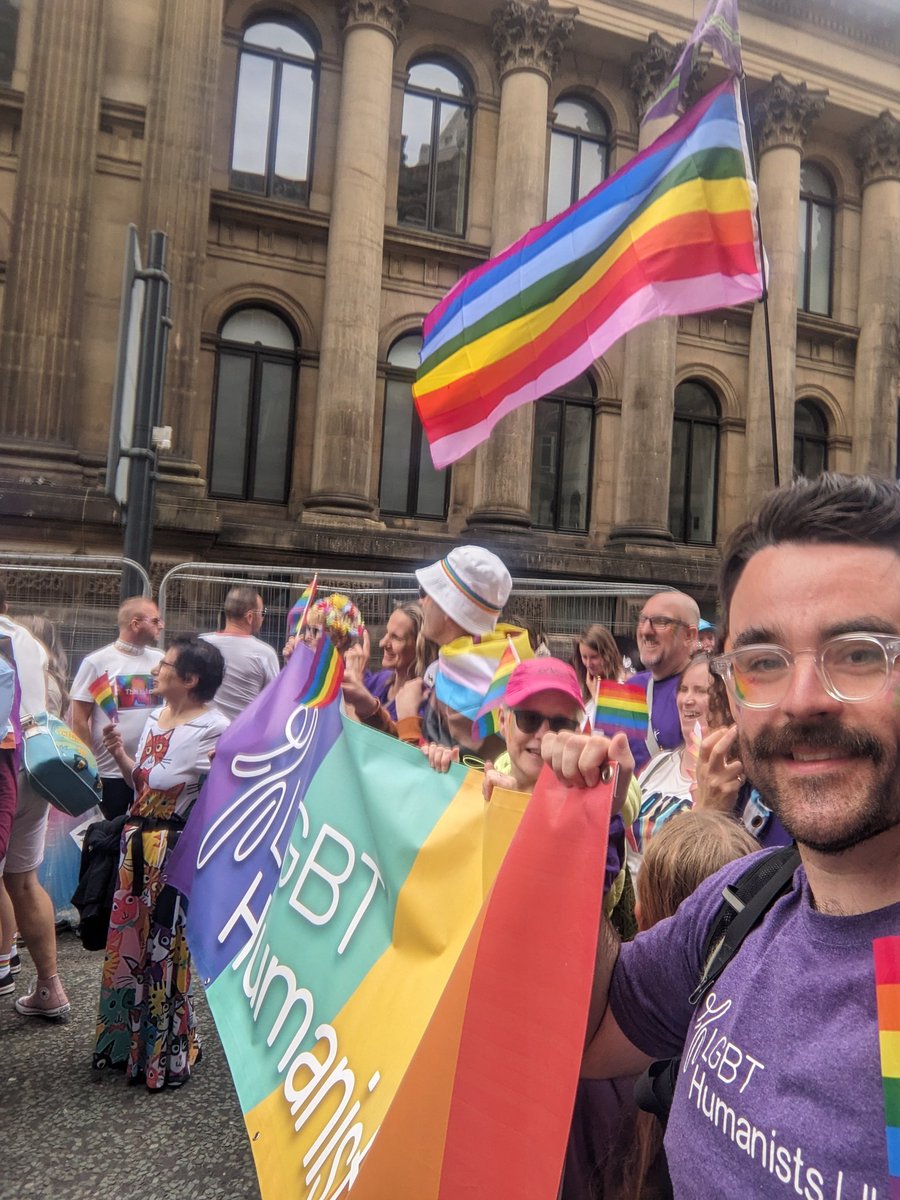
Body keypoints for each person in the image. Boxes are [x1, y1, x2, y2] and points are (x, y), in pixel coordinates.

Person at [544, 473, 900, 1196]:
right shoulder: (740, 905)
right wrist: (574, 844)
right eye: (764, 662)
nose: (803, 701)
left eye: (859, 652)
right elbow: (582, 1036)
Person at [93, 634, 227, 1090]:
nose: (156, 670)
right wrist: (119, 756)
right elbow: (143, 786)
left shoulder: (216, 729)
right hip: (136, 846)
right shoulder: (155, 717)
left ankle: (166, 1052)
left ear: (189, 679)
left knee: (164, 953)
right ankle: (126, 1047)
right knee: (129, 949)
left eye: (165, 665)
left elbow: (220, 800)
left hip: (173, 852)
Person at [0, 579, 70, 1018]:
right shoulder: (22, 636)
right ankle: (50, 988)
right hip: (37, 765)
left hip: (5, 764)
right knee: (24, 879)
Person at [412, 545, 518, 759]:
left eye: (425, 593)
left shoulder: (471, 693)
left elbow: (442, 778)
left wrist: (408, 723)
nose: (420, 601)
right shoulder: (484, 670)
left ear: (449, 610)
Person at [70, 596, 165, 819]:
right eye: (156, 620)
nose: (161, 625)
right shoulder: (97, 661)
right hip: (109, 774)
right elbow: (79, 717)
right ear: (135, 623)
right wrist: (89, 766)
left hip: (149, 770)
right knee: (108, 840)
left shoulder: (160, 659)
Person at [628, 653, 715, 864]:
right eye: (683, 690)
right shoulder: (659, 764)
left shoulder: (730, 781)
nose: (687, 700)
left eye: (701, 691)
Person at [629, 591, 700, 772]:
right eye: (642, 620)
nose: (645, 630)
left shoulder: (709, 694)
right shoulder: (628, 687)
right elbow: (606, 757)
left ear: (689, 636)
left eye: (661, 621)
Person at [341, 602, 435, 730]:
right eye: (387, 633)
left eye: (396, 637)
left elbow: (366, 741)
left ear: (420, 647)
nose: (382, 643)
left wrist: (357, 687)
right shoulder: (382, 679)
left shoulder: (422, 704)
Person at [201, 585, 279, 722]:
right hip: (240, 736)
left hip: (201, 732)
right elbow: (274, 700)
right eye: (262, 612)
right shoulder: (264, 653)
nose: (263, 617)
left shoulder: (200, 643)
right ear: (249, 617)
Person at [573, 623, 624, 712]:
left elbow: (612, 722)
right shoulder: (582, 685)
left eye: (594, 657)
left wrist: (595, 695)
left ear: (608, 654)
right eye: (584, 657)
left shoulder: (621, 686)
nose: (588, 664)